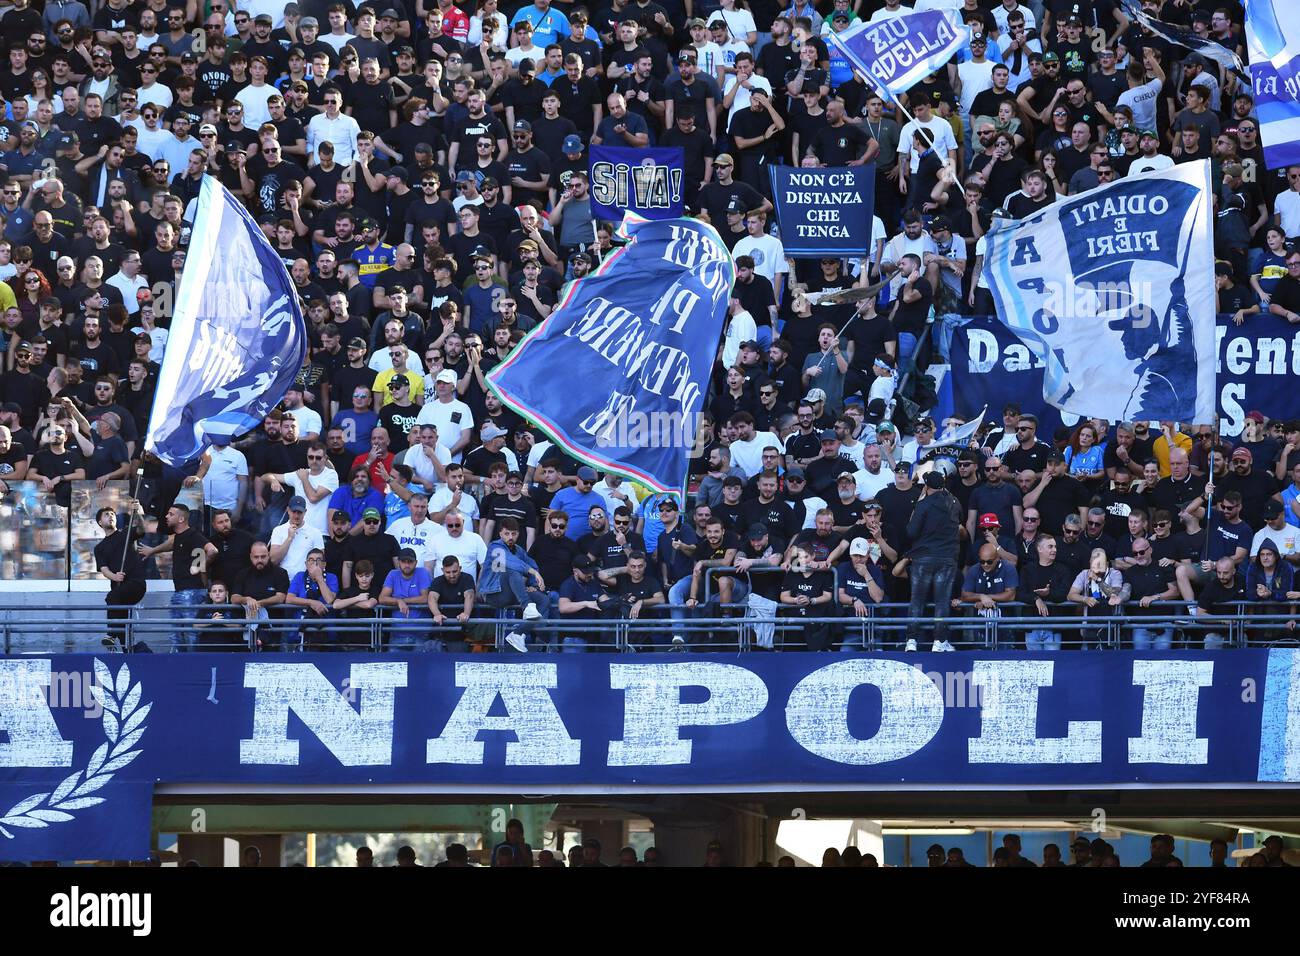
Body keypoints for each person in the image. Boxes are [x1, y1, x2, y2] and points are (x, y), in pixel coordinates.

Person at [902, 470, 962, 652]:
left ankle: (911, 641)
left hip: (924, 557)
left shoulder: (924, 504)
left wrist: (919, 504)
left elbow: (911, 532)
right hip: (947, 557)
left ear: (926, 486)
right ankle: (939, 641)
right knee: (942, 601)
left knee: (917, 600)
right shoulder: (954, 502)